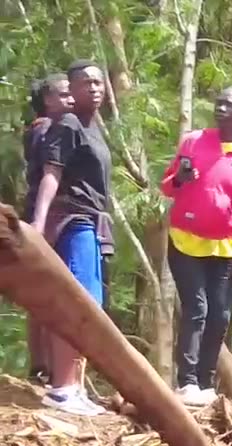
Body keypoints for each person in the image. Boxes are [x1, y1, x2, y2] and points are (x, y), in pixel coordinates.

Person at [161, 87, 232, 407]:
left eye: (230, 104)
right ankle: (186, 382)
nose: (221, 108)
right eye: (219, 102)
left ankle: (205, 382)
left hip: (225, 248)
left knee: (220, 315)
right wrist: (180, 178)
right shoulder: (195, 140)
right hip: (185, 241)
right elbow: (167, 186)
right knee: (196, 309)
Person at [30, 60, 112, 416]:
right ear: (72, 90)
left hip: (91, 221)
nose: (94, 87)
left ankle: (74, 387)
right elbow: (51, 175)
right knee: (77, 301)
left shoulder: (93, 128)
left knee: (90, 303)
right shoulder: (67, 124)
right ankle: (62, 388)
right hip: (72, 219)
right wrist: (37, 225)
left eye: (98, 82)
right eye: (85, 83)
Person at [23, 73, 74, 386]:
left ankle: (44, 365)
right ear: (47, 100)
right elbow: (48, 172)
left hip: (47, 216)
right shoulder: (44, 129)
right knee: (47, 293)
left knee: (43, 293)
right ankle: (45, 365)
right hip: (47, 217)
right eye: (64, 94)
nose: (70, 99)